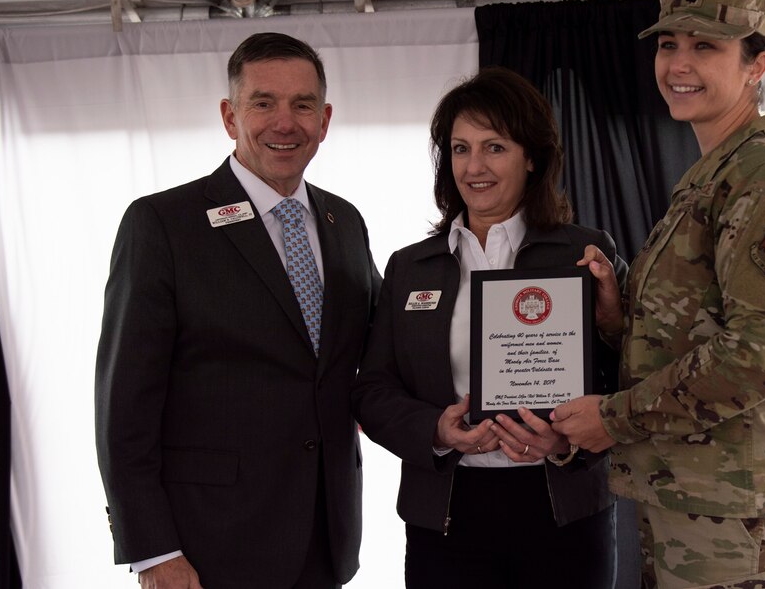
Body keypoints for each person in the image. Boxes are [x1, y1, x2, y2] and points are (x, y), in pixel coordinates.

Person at [551, 0, 765, 589]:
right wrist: (615, 318)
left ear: (755, 64)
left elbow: (760, 354)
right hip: (709, 502)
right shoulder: (716, 175)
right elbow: (702, 332)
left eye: (705, 46)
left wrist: (614, 417)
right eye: (668, 45)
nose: (678, 64)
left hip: (751, 519)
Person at [95, 32, 381, 589]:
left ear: (324, 121)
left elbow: (383, 344)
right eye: (263, 102)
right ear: (230, 116)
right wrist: (153, 551)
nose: (285, 122)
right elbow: (123, 407)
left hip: (326, 540)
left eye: (302, 105)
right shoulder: (162, 225)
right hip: (208, 549)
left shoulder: (344, 223)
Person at [351, 67, 626, 589]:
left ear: (532, 156)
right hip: (447, 516)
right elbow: (372, 391)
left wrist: (567, 443)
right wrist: (436, 430)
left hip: (564, 512)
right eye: (459, 148)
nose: (474, 166)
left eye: (494, 147)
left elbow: (633, 379)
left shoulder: (586, 253)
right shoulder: (411, 267)